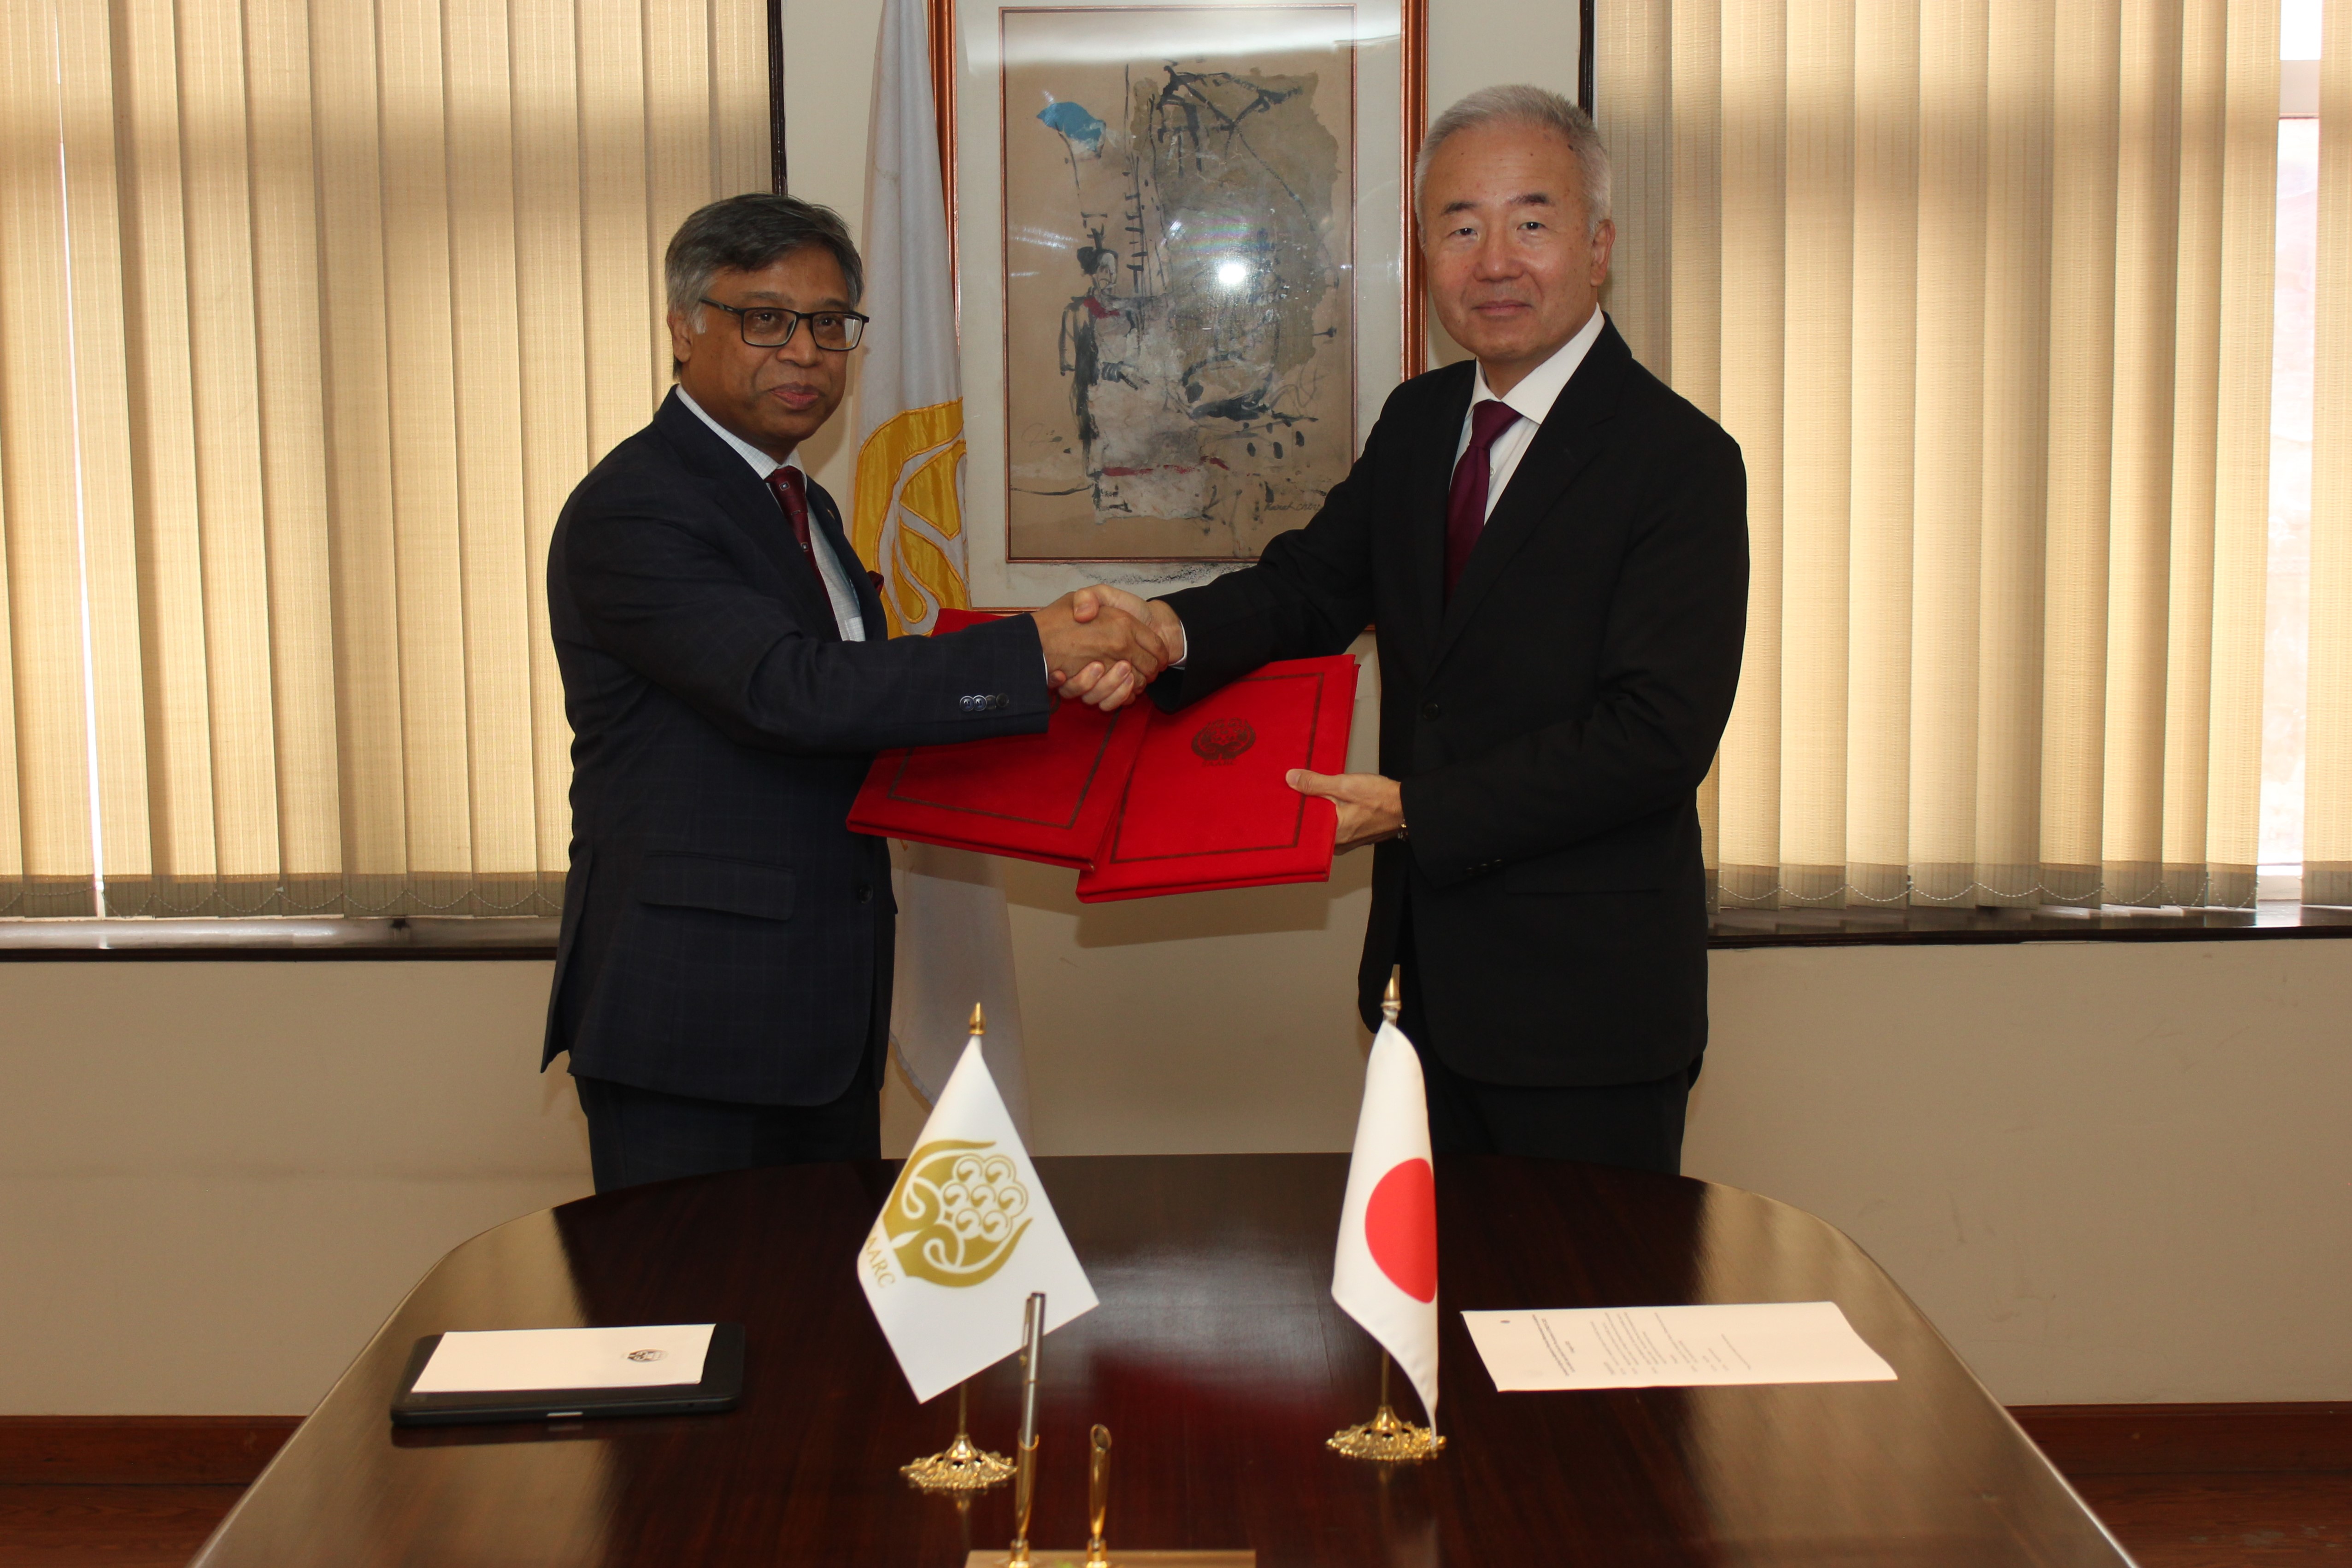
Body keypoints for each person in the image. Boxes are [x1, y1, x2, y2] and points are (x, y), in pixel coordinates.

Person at [1073, 87, 1749, 1173]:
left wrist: (1413, 811)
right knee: (1423, 1315)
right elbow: (1305, 591)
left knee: (1573, 1326)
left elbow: (1654, 738)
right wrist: (1159, 631)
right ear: (1425, 250)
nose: (1494, 261)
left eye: (1531, 222)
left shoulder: (1679, 461)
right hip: (1419, 986)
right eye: (1459, 224)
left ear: (1597, 245)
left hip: (1589, 1012)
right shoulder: (1420, 421)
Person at [545, 194, 1167, 1192]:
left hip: (819, 1013)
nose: (803, 351)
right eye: (765, 318)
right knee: (699, 1325)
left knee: (810, 1326)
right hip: (692, 1023)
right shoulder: (636, 506)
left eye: (829, 324)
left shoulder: (801, 500)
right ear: (682, 327)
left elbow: (864, 711)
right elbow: (786, 691)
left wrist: (1068, 692)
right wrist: (1030, 651)